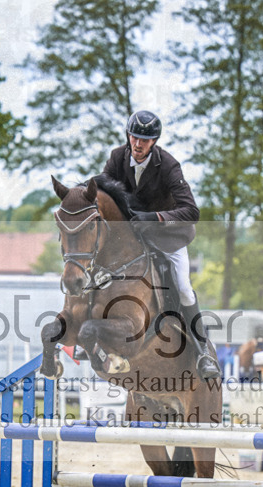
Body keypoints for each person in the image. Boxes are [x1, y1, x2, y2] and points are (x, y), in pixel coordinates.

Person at [101, 110, 221, 380]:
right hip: (132, 239)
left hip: (168, 238)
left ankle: (203, 352)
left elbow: (191, 211)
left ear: (154, 142)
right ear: (128, 136)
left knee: (184, 289)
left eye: (145, 139)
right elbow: (101, 191)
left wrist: (154, 218)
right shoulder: (117, 157)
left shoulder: (168, 166)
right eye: (135, 137)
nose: (138, 144)